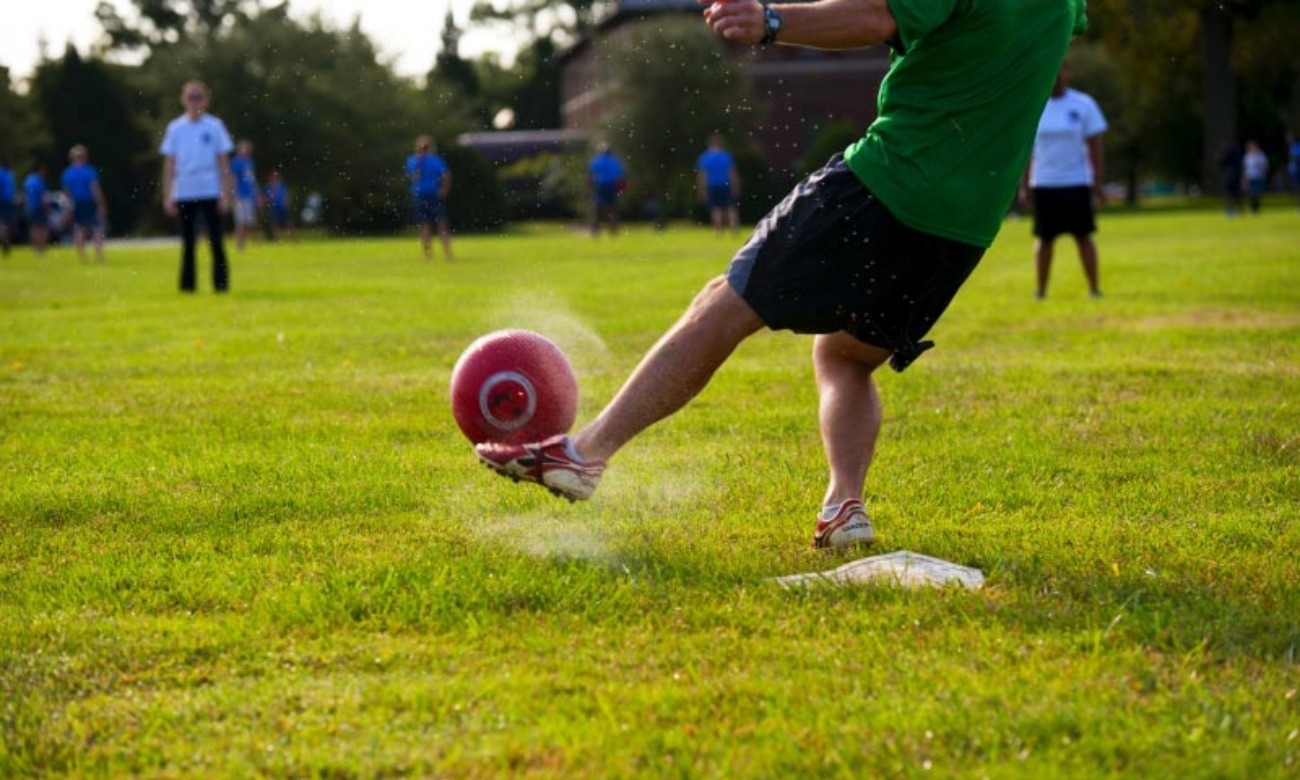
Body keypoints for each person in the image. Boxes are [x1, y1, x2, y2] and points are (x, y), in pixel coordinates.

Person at [475, 0, 1088, 549]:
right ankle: (844, 503)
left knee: (724, 302)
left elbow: (878, 15)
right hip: (964, 228)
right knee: (846, 357)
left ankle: (586, 455)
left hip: (888, 182)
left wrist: (771, 21)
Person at [1020, 64, 1107, 299]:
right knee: (1044, 240)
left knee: (1084, 237)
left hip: (1076, 183)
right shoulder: (1034, 105)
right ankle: (1040, 291)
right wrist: (1025, 185)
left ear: (1067, 72)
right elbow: (1026, 150)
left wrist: (1097, 183)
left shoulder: (1083, 104)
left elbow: (1095, 146)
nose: (1055, 76)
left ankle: (1094, 289)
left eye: (1059, 70)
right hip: (1045, 184)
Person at [160, 80, 235, 293]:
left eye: (199, 97)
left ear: (206, 100)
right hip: (185, 189)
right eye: (191, 97)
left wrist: (225, 194)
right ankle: (187, 287)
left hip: (210, 188)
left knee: (216, 240)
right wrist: (168, 195)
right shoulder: (175, 128)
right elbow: (169, 165)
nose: (195, 102)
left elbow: (223, 163)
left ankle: (221, 286)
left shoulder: (215, 126)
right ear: (183, 100)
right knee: (188, 243)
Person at [405, 135, 453, 260]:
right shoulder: (434, 160)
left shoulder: (413, 160)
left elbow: (413, 177)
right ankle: (444, 253)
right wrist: (444, 190)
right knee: (439, 223)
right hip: (431, 193)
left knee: (426, 224)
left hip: (421, 194)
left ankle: (430, 254)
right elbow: (446, 175)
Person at [60, 145, 108, 263]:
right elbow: (95, 188)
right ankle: (99, 255)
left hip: (76, 203)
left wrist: (68, 207)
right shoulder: (89, 171)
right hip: (89, 202)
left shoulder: (68, 173)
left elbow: (66, 192)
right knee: (96, 229)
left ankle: (82, 257)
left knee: (79, 229)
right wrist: (101, 203)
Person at [696, 134, 741, 236]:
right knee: (731, 207)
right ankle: (734, 229)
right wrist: (736, 186)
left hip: (712, 185)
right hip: (726, 184)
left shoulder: (704, 157)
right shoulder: (726, 156)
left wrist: (702, 190)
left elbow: (702, 176)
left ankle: (718, 231)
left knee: (716, 208)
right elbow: (732, 173)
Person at [587, 143, 626, 237]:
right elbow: (621, 176)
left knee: (597, 209)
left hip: (600, 186)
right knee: (613, 209)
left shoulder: (596, 161)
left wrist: (588, 188)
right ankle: (614, 231)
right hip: (612, 186)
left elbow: (590, 176)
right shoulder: (615, 161)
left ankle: (595, 232)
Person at [229, 140, 261, 251]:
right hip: (240, 195)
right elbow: (233, 179)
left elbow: (252, 180)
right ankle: (238, 245)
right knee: (240, 221)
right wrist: (234, 194)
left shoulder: (250, 162)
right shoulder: (236, 162)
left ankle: (246, 243)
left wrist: (257, 194)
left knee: (249, 221)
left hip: (249, 195)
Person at [22, 165, 50, 256]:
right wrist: (46, 207)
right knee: (43, 228)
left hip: (31, 207)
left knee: (34, 227)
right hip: (39, 207)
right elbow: (41, 196)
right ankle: (41, 247)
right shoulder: (39, 181)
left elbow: (26, 195)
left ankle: (35, 247)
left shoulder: (28, 180)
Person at [263, 169, 291, 241]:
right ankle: (277, 238)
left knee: (288, 223)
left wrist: (287, 203)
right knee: (275, 224)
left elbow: (286, 196)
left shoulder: (282, 186)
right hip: (274, 207)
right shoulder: (268, 187)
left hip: (282, 207)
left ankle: (293, 239)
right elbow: (265, 198)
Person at [1242, 139, 1269, 215]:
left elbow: (1265, 166)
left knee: (1256, 193)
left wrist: (1259, 165)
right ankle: (1253, 209)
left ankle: (1256, 209)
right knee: (1251, 193)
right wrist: (1244, 179)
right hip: (1250, 177)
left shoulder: (1260, 155)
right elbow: (1245, 168)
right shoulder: (1247, 156)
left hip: (1258, 177)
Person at [1219, 140, 1244, 217]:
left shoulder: (1228, 154)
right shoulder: (1238, 154)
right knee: (1236, 194)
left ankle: (1230, 210)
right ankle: (1238, 209)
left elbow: (1221, 163)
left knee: (1230, 194)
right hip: (1236, 176)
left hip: (1230, 176)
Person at [0, 158, 14, 257]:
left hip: (9, 201)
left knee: (8, 223)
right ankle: (4, 241)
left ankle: (6, 241)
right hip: (2, 201)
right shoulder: (1, 173)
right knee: (3, 223)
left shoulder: (10, 173)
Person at [1287, 131, 1300, 208]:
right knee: (1296, 189)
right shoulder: (1291, 147)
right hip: (1294, 171)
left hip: (1298, 170)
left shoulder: (1297, 146)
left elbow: (1295, 159)